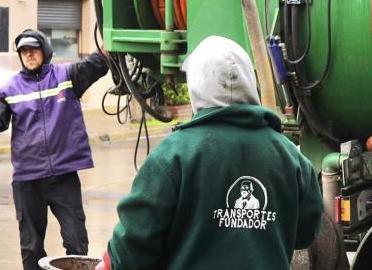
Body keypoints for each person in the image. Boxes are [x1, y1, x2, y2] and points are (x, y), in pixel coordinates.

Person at [99, 35, 324, 270]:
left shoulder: (172, 156)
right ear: (249, 80)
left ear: (197, 86)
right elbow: (306, 232)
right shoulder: (291, 157)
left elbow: (131, 250)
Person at [0, 29, 109, 270]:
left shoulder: (67, 76)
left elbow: (97, 63)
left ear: (44, 51)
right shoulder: (9, 89)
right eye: (23, 51)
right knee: (31, 247)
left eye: (33, 50)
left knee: (77, 243)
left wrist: (111, 42)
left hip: (63, 177)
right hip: (28, 181)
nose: (28, 55)